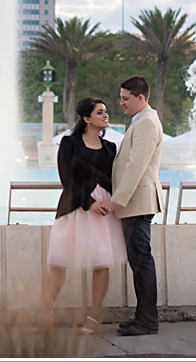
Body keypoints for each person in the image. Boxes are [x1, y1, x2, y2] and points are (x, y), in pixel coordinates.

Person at [35, 97, 127, 335]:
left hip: (102, 213)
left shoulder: (111, 148)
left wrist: (109, 202)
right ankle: (45, 314)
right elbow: (66, 178)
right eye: (100, 112)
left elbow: (113, 179)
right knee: (58, 263)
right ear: (87, 118)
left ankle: (93, 316)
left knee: (101, 262)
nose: (106, 115)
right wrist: (89, 203)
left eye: (106, 111)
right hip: (75, 207)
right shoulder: (69, 143)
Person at [110, 76, 165, 336]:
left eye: (125, 98)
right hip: (135, 202)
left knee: (142, 261)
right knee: (139, 260)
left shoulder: (147, 123)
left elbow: (136, 166)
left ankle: (147, 320)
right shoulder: (141, 121)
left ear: (141, 98)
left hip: (137, 202)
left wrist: (117, 199)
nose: (121, 102)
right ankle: (143, 317)